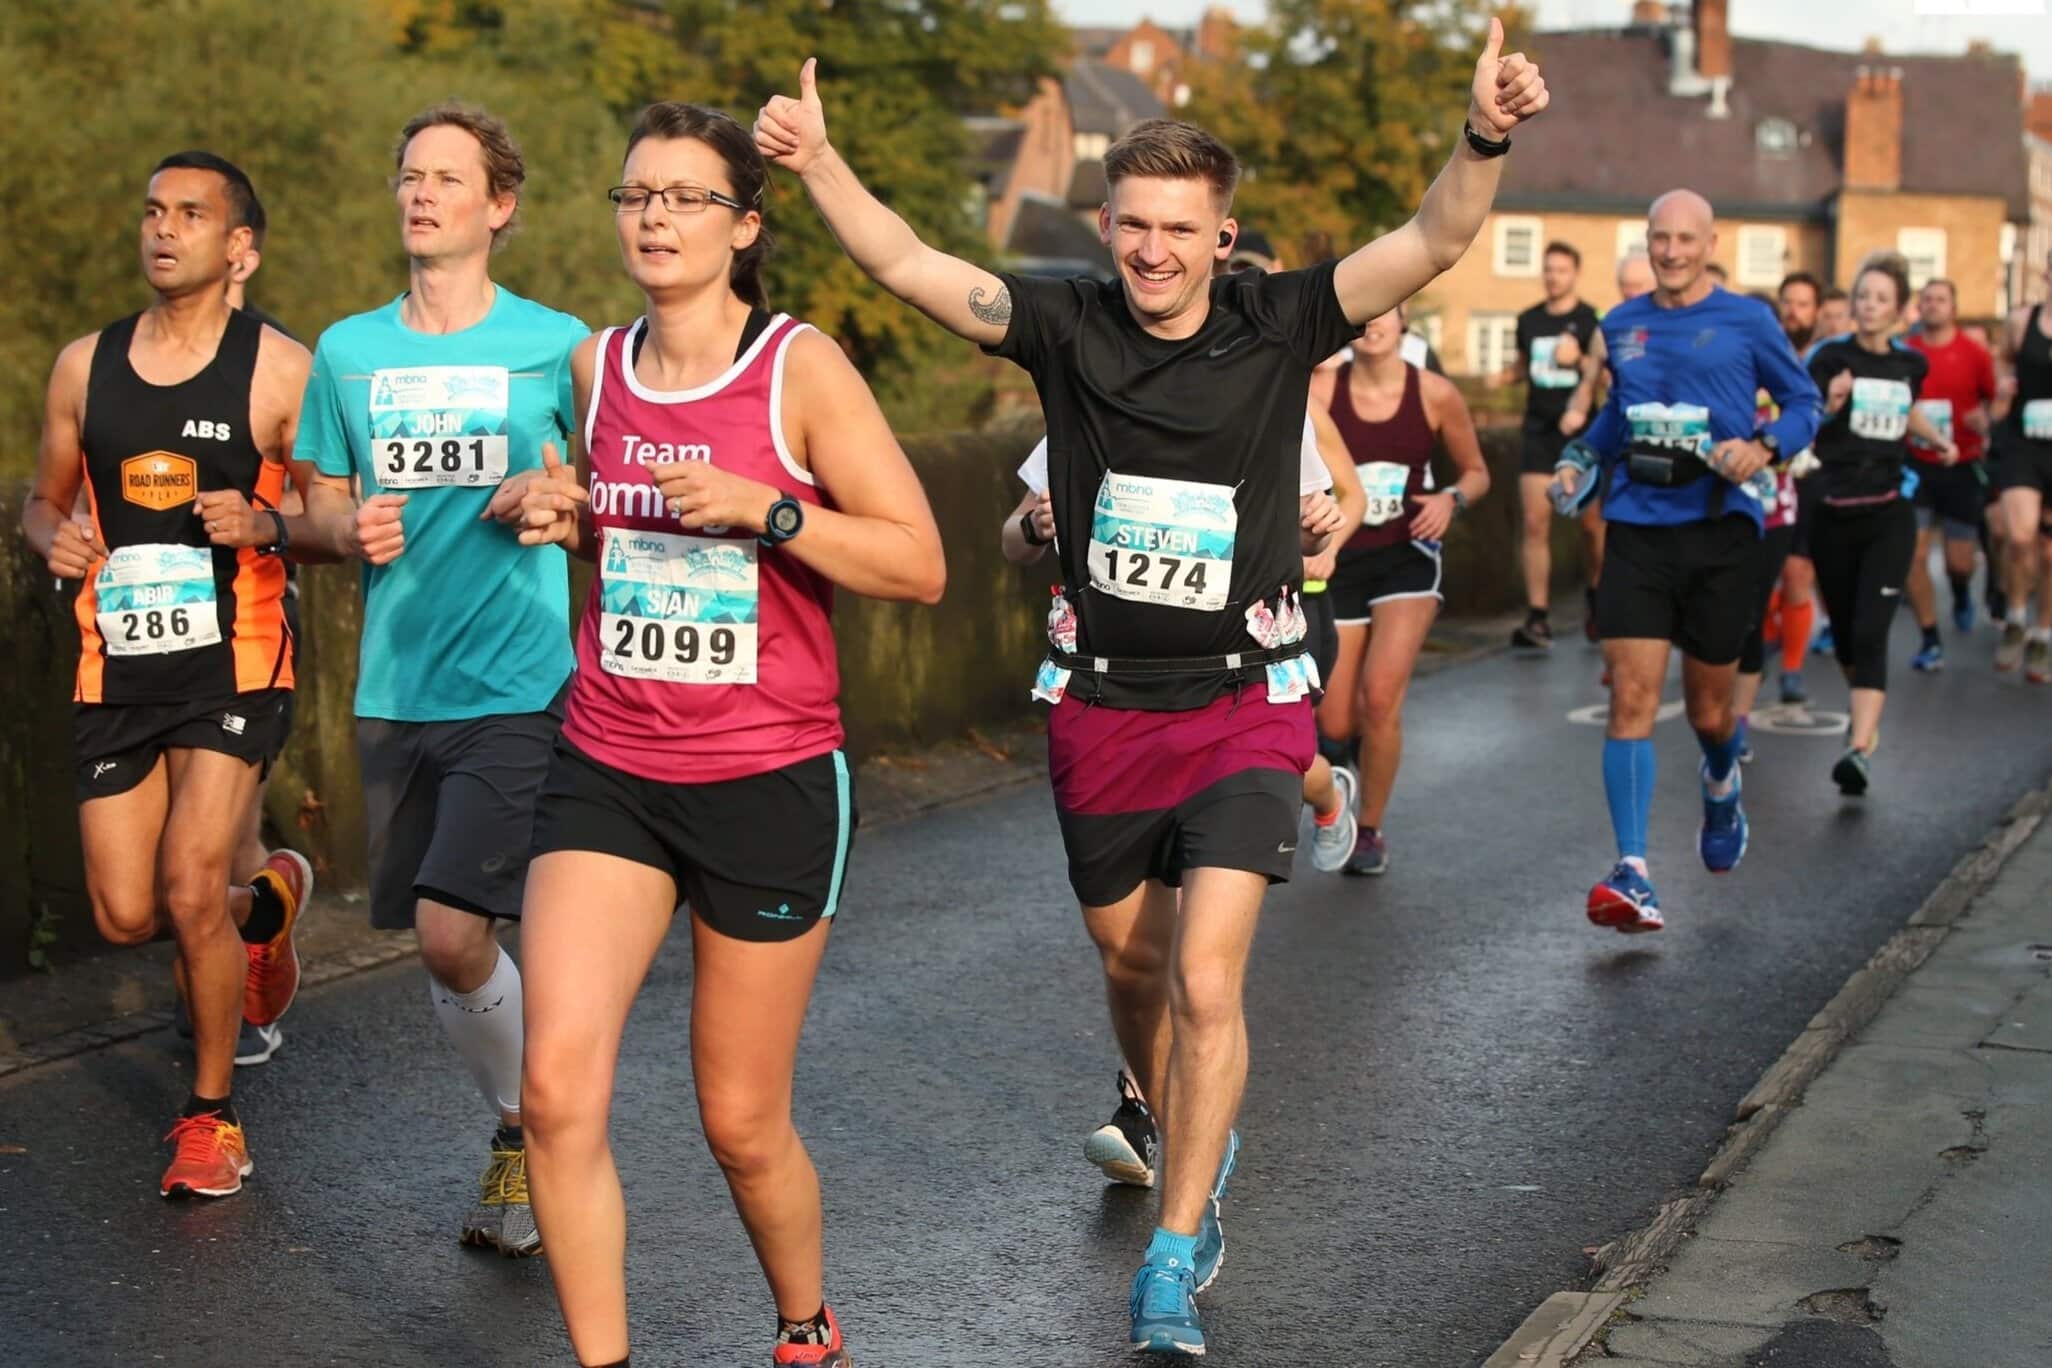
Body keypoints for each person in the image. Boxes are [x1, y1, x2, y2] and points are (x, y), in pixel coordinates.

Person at [757, 22, 1546, 1355]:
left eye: (1181, 228)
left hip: (1244, 696)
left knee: (1209, 980)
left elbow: (1432, 243)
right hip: (1100, 702)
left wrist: (1484, 136)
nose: (1156, 251)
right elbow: (907, 267)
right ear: (1108, 225)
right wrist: (825, 165)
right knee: (1131, 965)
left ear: (1221, 236)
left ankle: (1175, 1254)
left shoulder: (1278, 317)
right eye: (1134, 225)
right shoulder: (1066, 323)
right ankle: (1175, 1124)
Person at [512, 101, 945, 1368]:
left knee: (741, 1120)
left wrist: (771, 512)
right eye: (635, 194)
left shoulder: (797, 369)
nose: (652, 216)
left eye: (684, 197)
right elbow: (619, 528)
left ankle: (804, 1325)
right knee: (554, 1093)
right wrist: (563, 511)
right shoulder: (596, 370)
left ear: (744, 226)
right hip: (609, 761)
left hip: (767, 779)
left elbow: (918, 563)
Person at [294, 103, 590, 1255]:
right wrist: (334, 526)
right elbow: (313, 497)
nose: (421, 194)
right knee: (444, 939)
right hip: (395, 683)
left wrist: (562, 507)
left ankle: (532, 1135)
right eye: (409, 175)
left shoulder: (556, 345)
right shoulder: (348, 350)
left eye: (447, 179)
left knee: (451, 931)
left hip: (521, 680)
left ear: (498, 206)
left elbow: (611, 504)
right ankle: (524, 1129)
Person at [20, 151, 315, 1197]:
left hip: (236, 660)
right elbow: (44, 500)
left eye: (192, 214)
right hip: (116, 665)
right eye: (153, 210)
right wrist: (49, 536)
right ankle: (264, 910)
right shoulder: (81, 367)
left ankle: (211, 1118)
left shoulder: (281, 369)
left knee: (190, 881)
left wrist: (271, 518)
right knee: (123, 912)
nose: (164, 228)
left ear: (241, 248)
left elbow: (339, 512)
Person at [1000, 395, 1362, 1196]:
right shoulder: (1087, 401)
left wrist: (1316, 530)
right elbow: (1015, 536)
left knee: (1203, 957)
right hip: (1117, 706)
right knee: (1139, 950)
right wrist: (1038, 526)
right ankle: (1151, 1101)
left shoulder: (1267, 397)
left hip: (1240, 687)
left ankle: (1165, 1130)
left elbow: (1326, 515)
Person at [1554, 189, 1821, 933]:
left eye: (1683, 239)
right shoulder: (1623, 323)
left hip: (1721, 533)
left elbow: (1803, 404)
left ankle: (1721, 776)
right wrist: (1580, 460)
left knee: (1709, 712)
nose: (1670, 252)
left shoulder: (1747, 321)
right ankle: (1633, 870)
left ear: (1709, 243)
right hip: (1638, 530)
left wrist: (1763, 446)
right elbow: (1620, 415)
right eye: (1658, 239)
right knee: (1631, 700)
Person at [1312, 304, 1489, 875]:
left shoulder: (1435, 393)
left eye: (1385, 313)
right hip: (1337, 560)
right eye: (1363, 312)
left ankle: (1369, 831)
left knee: (1381, 700)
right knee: (1334, 724)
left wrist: (1449, 499)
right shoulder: (1319, 387)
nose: (1373, 323)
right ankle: (1345, 777)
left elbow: (1476, 471)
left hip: (1406, 559)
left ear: (1404, 323)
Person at [1806, 254, 1954, 791]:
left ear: (1899, 310)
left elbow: (1907, 407)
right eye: (1862, 296)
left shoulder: (1909, 363)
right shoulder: (1828, 356)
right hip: (1832, 511)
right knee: (1846, 636)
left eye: (1880, 299)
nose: (1869, 306)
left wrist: (1935, 439)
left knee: (1872, 630)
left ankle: (1860, 746)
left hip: (1889, 510)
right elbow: (1802, 417)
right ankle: (1861, 713)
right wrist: (1831, 401)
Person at [1507, 241, 1601, 651]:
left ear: (1575, 273)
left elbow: (1601, 374)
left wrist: (1579, 359)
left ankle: (1597, 599)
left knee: (1591, 527)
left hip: (1581, 437)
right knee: (1534, 523)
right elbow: (1522, 365)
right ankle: (1538, 617)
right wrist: (1501, 377)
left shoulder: (1590, 319)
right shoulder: (1527, 319)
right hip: (1539, 431)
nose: (1553, 276)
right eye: (1548, 269)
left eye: (1561, 270)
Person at [1904, 277, 1998, 670]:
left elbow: (1996, 401)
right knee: (1914, 553)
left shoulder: (1974, 354)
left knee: (1959, 561)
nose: (1932, 306)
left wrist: (1985, 418)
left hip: (1961, 464)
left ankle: (1960, 593)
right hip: (1916, 464)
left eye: (1940, 300)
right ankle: (1930, 638)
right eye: (1926, 300)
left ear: (1953, 308)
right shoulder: (1906, 351)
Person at [1991, 247, 2052, 682]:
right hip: (2023, 443)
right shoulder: (2021, 321)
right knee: (2020, 535)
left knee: (2051, 552)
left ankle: (2044, 635)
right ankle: (2015, 615)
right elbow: (2003, 360)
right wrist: (2002, 386)